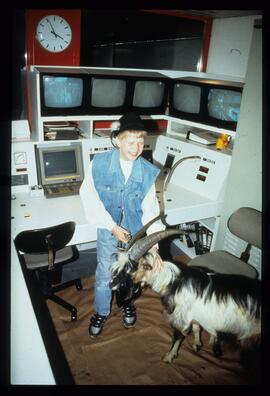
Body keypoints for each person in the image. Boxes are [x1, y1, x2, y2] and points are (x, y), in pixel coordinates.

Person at [80, 111, 165, 337]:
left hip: (136, 235)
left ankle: (127, 302)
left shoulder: (147, 171)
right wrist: (112, 226)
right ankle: (101, 311)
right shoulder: (98, 164)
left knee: (130, 274)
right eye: (130, 141)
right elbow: (89, 197)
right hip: (109, 231)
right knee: (105, 275)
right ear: (117, 139)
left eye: (140, 141)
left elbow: (150, 211)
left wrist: (154, 248)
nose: (136, 147)